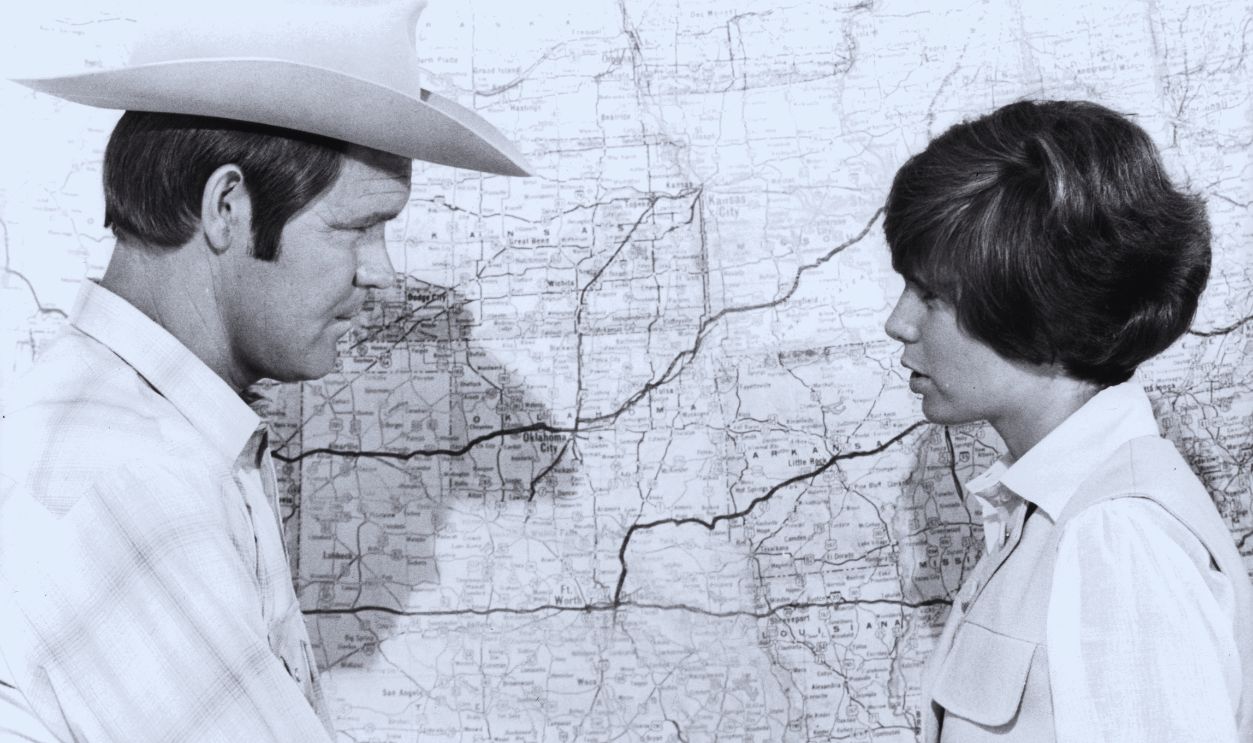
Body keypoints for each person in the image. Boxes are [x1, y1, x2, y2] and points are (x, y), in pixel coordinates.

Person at [0, 2, 531, 740]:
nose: (382, 273)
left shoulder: (162, 433)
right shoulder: (125, 484)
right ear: (227, 206)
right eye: (357, 227)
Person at [882, 99, 1253, 742]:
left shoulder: (1114, 539)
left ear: (1040, 316)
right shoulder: (1055, 513)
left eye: (932, 295)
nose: (899, 323)